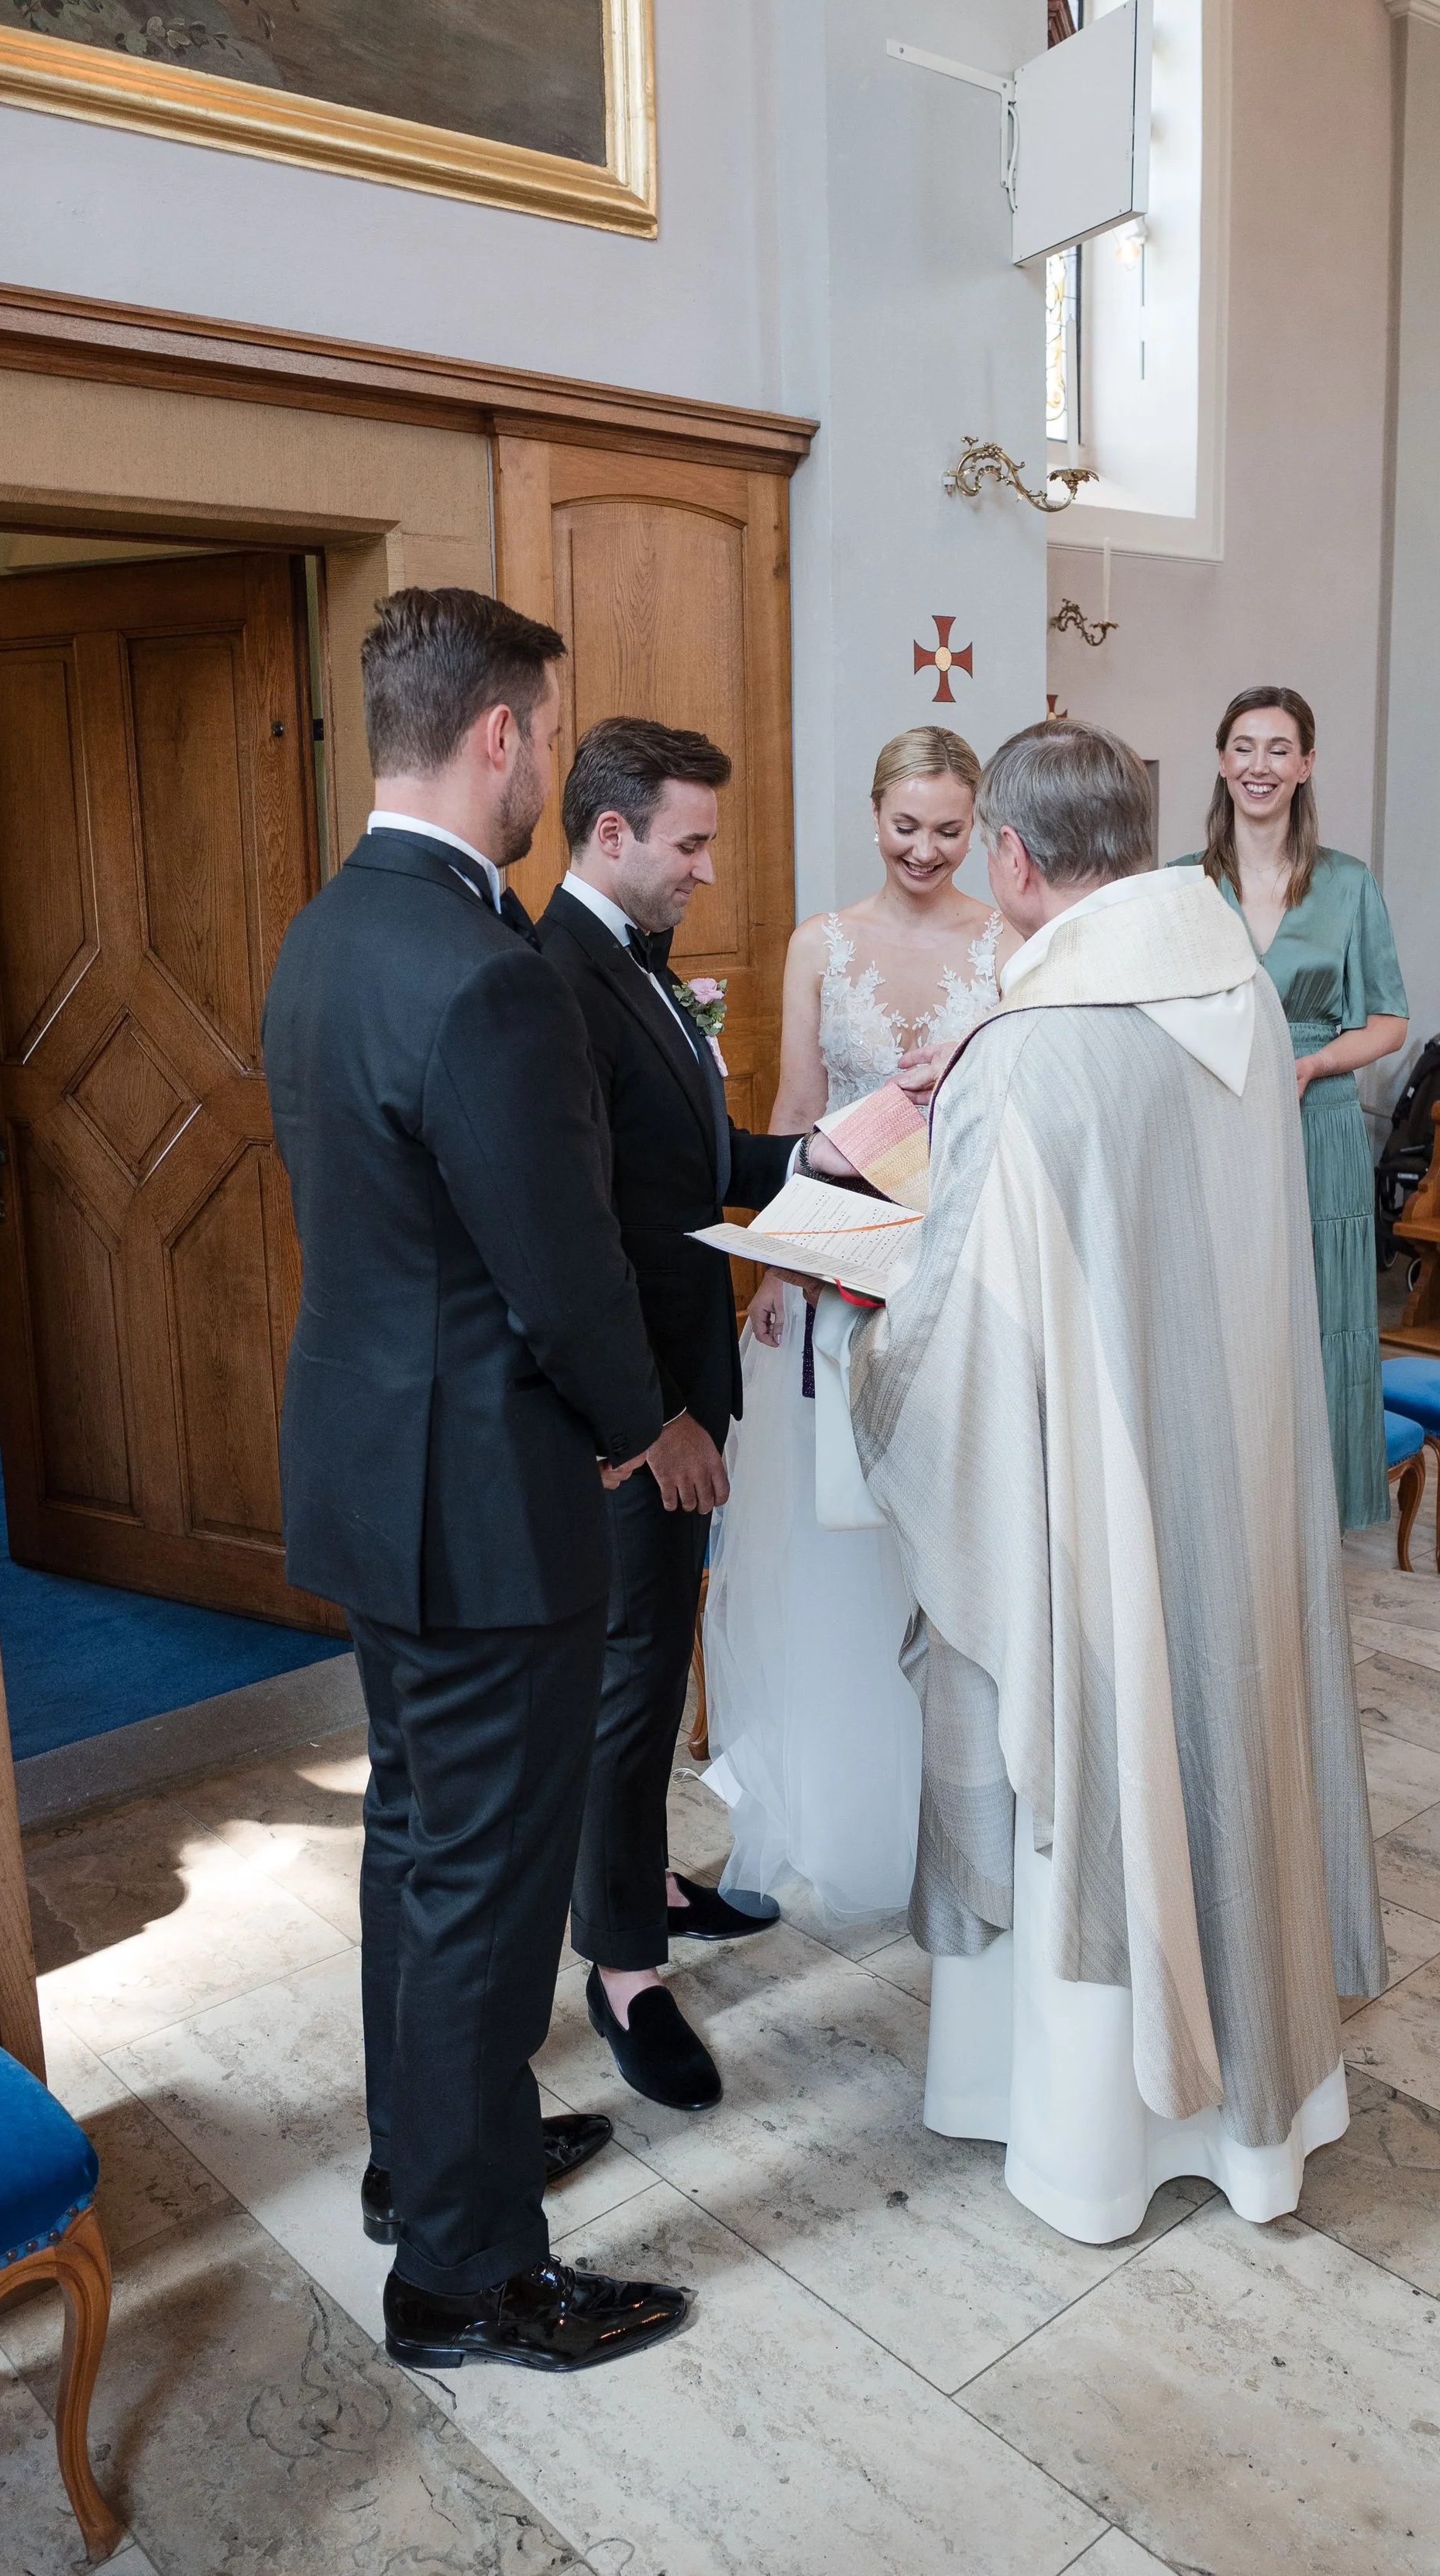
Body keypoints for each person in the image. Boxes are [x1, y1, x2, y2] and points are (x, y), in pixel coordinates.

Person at [804, 720, 1383, 2245]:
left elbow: (963, 1347)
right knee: (1222, 1733)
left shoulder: (1033, 1043)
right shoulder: (1238, 991)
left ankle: (1083, 2145)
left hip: (1087, 1510)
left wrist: (870, 1341)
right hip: (1230, 1470)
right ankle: (1257, 2118)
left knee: (1090, 1752)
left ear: (1007, 856)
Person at [262, 589, 689, 2377]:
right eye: (544, 737)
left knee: (421, 1850)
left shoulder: (327, 933)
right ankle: (468, 2270)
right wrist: (645, 1418)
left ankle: (432, 2162)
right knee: (484, 1883)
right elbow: (561, 1265)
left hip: (374, 1472)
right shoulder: (484, 973)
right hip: (491, 1500)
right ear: (504, 734)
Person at [701, 726, 1013, 1922]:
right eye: (905, 825)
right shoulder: (819, 943)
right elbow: (796, 1109)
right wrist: (779, 1267)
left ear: (977, 825)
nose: (925, 849)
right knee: (836, 1549)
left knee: (940, 1554)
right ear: (872, 812)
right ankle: (845, 1808)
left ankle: (959, 1813)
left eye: (948, 828)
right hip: (839, 1274)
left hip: (970, 1274)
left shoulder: (1009, 942)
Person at [537, 719, 799, 2114]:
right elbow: (581, 1234)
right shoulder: (559, 980)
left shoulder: (630, 967)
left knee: (657, 1660)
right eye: (689, 841)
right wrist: (656, 1424)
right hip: (635, 1409)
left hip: (680, 1381)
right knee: (632, 1679)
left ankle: (645, 1877)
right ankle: (624, 1965)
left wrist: (834, 1147)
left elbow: (696, 1161)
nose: (708, 866)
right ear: (613, 831)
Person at [1177, 688, 1407, 1535]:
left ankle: (1313, 1504)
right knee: (1220, 1301)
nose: (1258, 765)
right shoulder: (1180, 883)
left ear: (1306, 764)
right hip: (1212, 1113)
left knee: (1317, 1310)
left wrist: (1312, 1060)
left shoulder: (1348, 882)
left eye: (1278, 749)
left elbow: (1388, 1019)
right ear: (1220, 759)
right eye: (1243, 746)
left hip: (1319, 1117)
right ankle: (1218, 1494)